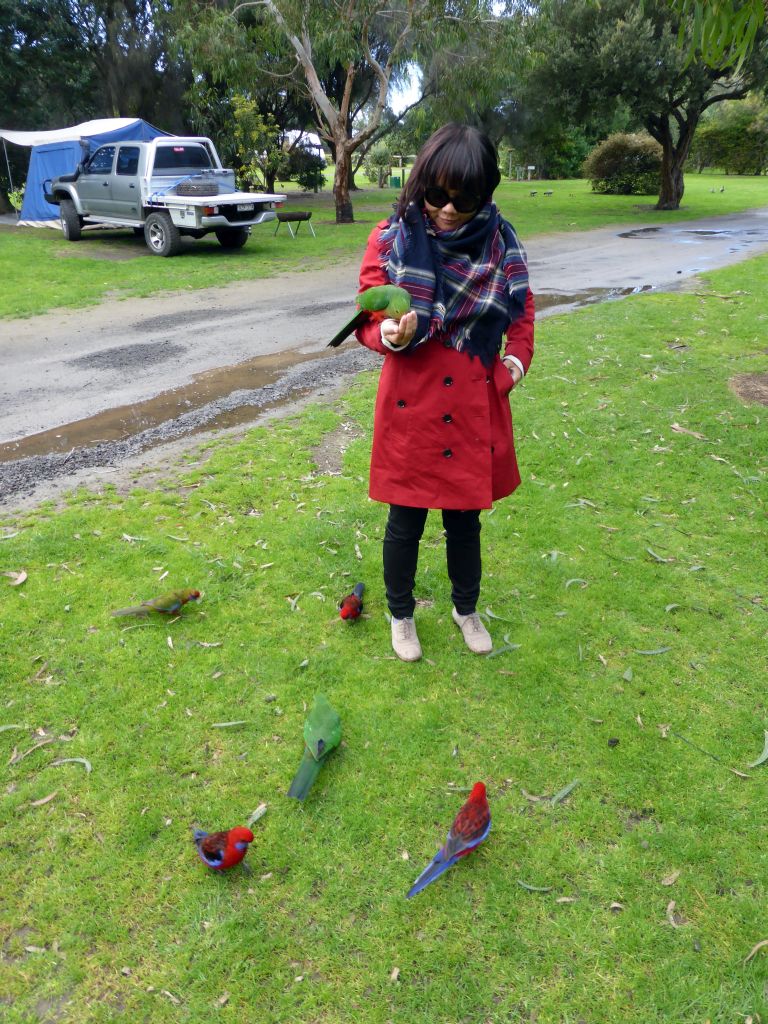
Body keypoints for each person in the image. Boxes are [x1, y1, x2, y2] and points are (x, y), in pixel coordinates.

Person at [354, 123, 535, 662]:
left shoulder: (501, 243)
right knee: (404, 520)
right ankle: (401, 615)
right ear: (420, 184)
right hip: (412, 401)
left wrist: (506, 374)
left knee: (465, 519)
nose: (449, 211)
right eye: (437, 195)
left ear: (486, 194)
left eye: (465, 198)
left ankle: (465, 608)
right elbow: (367, 311)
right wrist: (387, 334)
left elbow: (522, 320)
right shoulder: (391, 238)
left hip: (470, 404)